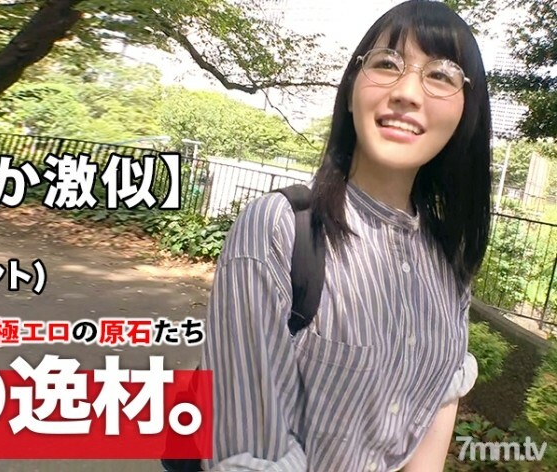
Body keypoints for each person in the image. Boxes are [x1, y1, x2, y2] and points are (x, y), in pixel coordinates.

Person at [201, 1, 491, 471]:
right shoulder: (280, 228)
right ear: (352, 91)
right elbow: (246, 449)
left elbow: (439, 405)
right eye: (387, 64)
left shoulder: (450, 260)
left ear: (466, 113)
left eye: (441, 75)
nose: (407, 93)